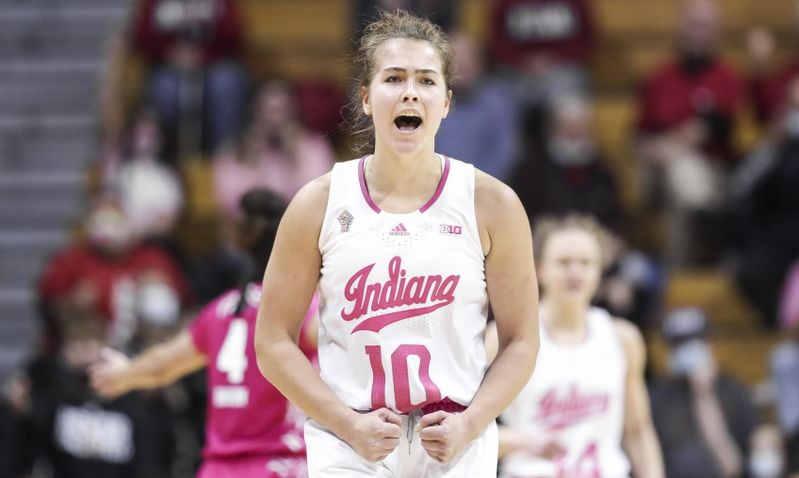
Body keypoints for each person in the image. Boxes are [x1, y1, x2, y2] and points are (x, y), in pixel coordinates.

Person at [255, 10, 540, 477]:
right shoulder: (317, 203)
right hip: (349, 440)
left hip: (456, 438)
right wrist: (346, 424)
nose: (410, 91)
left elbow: (523, 342)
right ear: (366, 98)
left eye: (426, 80)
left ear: (446, 102)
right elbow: (271, 341)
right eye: (394, 78)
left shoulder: (493, 204)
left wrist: (470, 424)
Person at [90, 188, 318, 478]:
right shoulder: (302, 310)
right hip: (279, 465)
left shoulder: (218, 310)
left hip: (217, 470)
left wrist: (124, 374)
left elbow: (163, 366)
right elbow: (349, 344)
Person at [496, 215, 664, 478]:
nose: (575, 272)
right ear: (539, 268)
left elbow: (638, 430)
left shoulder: (623, 338)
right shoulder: (505, 336)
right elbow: (468, 431)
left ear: (600, 269)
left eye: (585, 263)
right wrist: (524, 442)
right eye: (563, 263)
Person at [649, 307, 760, 478]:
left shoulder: (733, 390)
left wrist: (704, 395)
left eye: (696, 342)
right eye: (680, 345)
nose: (689, 350)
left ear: (710, 343)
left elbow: (734, 464)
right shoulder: (657, 398)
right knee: (689, 458)